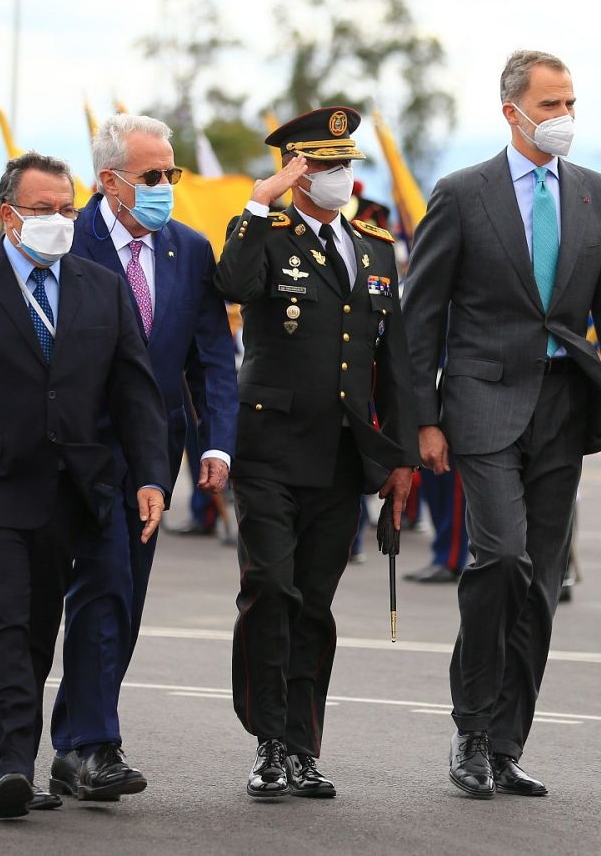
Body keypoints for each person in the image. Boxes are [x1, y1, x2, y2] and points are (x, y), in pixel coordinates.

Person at [0, 152, 168, 819]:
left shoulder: (101, 287)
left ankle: (20, 754)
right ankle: (7, 769)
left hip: (69, 490)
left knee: (39, 627)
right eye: (43, 210)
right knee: (3, 623)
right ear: (8, 215)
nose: (58, 221)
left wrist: (152, 476)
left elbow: (134, 390)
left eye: (67, 209)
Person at [403, 50, 601, 799]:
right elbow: (423, 315)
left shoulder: (599, 197)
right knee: (500, 559)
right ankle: (470, 727)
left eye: (571, 102)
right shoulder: (462, 193)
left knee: (540, 581)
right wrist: (424, 420)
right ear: (512, 112)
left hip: (563, 404)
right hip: (480, 401)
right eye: (550, 105)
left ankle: (505, 745)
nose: (564, 118)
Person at [215, 106, 418, 798]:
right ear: (297, 171)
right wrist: (256, 200)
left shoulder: (374, 247)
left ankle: (301, 745)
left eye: (345, 166)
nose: (340, 178)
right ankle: (268, 737)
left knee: (315, 604)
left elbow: (395, 361)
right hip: (270, 448)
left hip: (340, 455)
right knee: (271, 588)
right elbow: (233, 286)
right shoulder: (265, 235)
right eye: (325, 167)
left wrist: (400, 455)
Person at [48, 114, 239, 801]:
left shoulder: (188, 249)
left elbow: (213, 355)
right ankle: (96, 743)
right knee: (103, 585)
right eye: (152, 176)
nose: (165, 186)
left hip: (157, 451)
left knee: (125, 596)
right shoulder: (68, 243)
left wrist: (218, 440)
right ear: (108, 181)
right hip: (82, 448)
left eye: (171, 173)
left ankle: (75, 740)